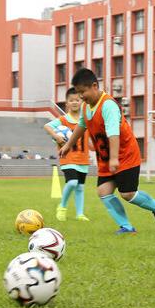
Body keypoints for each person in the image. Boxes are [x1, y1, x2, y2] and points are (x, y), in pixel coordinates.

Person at [58, 67, 155, 235]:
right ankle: (126, 227)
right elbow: (81, 126)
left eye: (83, 91)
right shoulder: (86, 107)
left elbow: (113, 134)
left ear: (94, 85)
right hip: (106, 158)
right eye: (79, 93)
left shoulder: (108, 105)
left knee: (127, 193)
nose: (81, 97)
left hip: (125, 156)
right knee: (103, 191)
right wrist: (68, 145)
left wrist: (114, 159)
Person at [44, 87, 92, 222]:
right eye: (71, 100)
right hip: (68, 157)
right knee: (72, 182)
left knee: (80, 187)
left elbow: (88, 139)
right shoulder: (63, 120)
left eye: (77, 100)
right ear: (67, 104)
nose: (75, 102)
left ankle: (80, 214)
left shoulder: (85, 120)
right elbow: (47, 126)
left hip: (83, 158)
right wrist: (56, 136)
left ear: (82, 102)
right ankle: (62, 206)